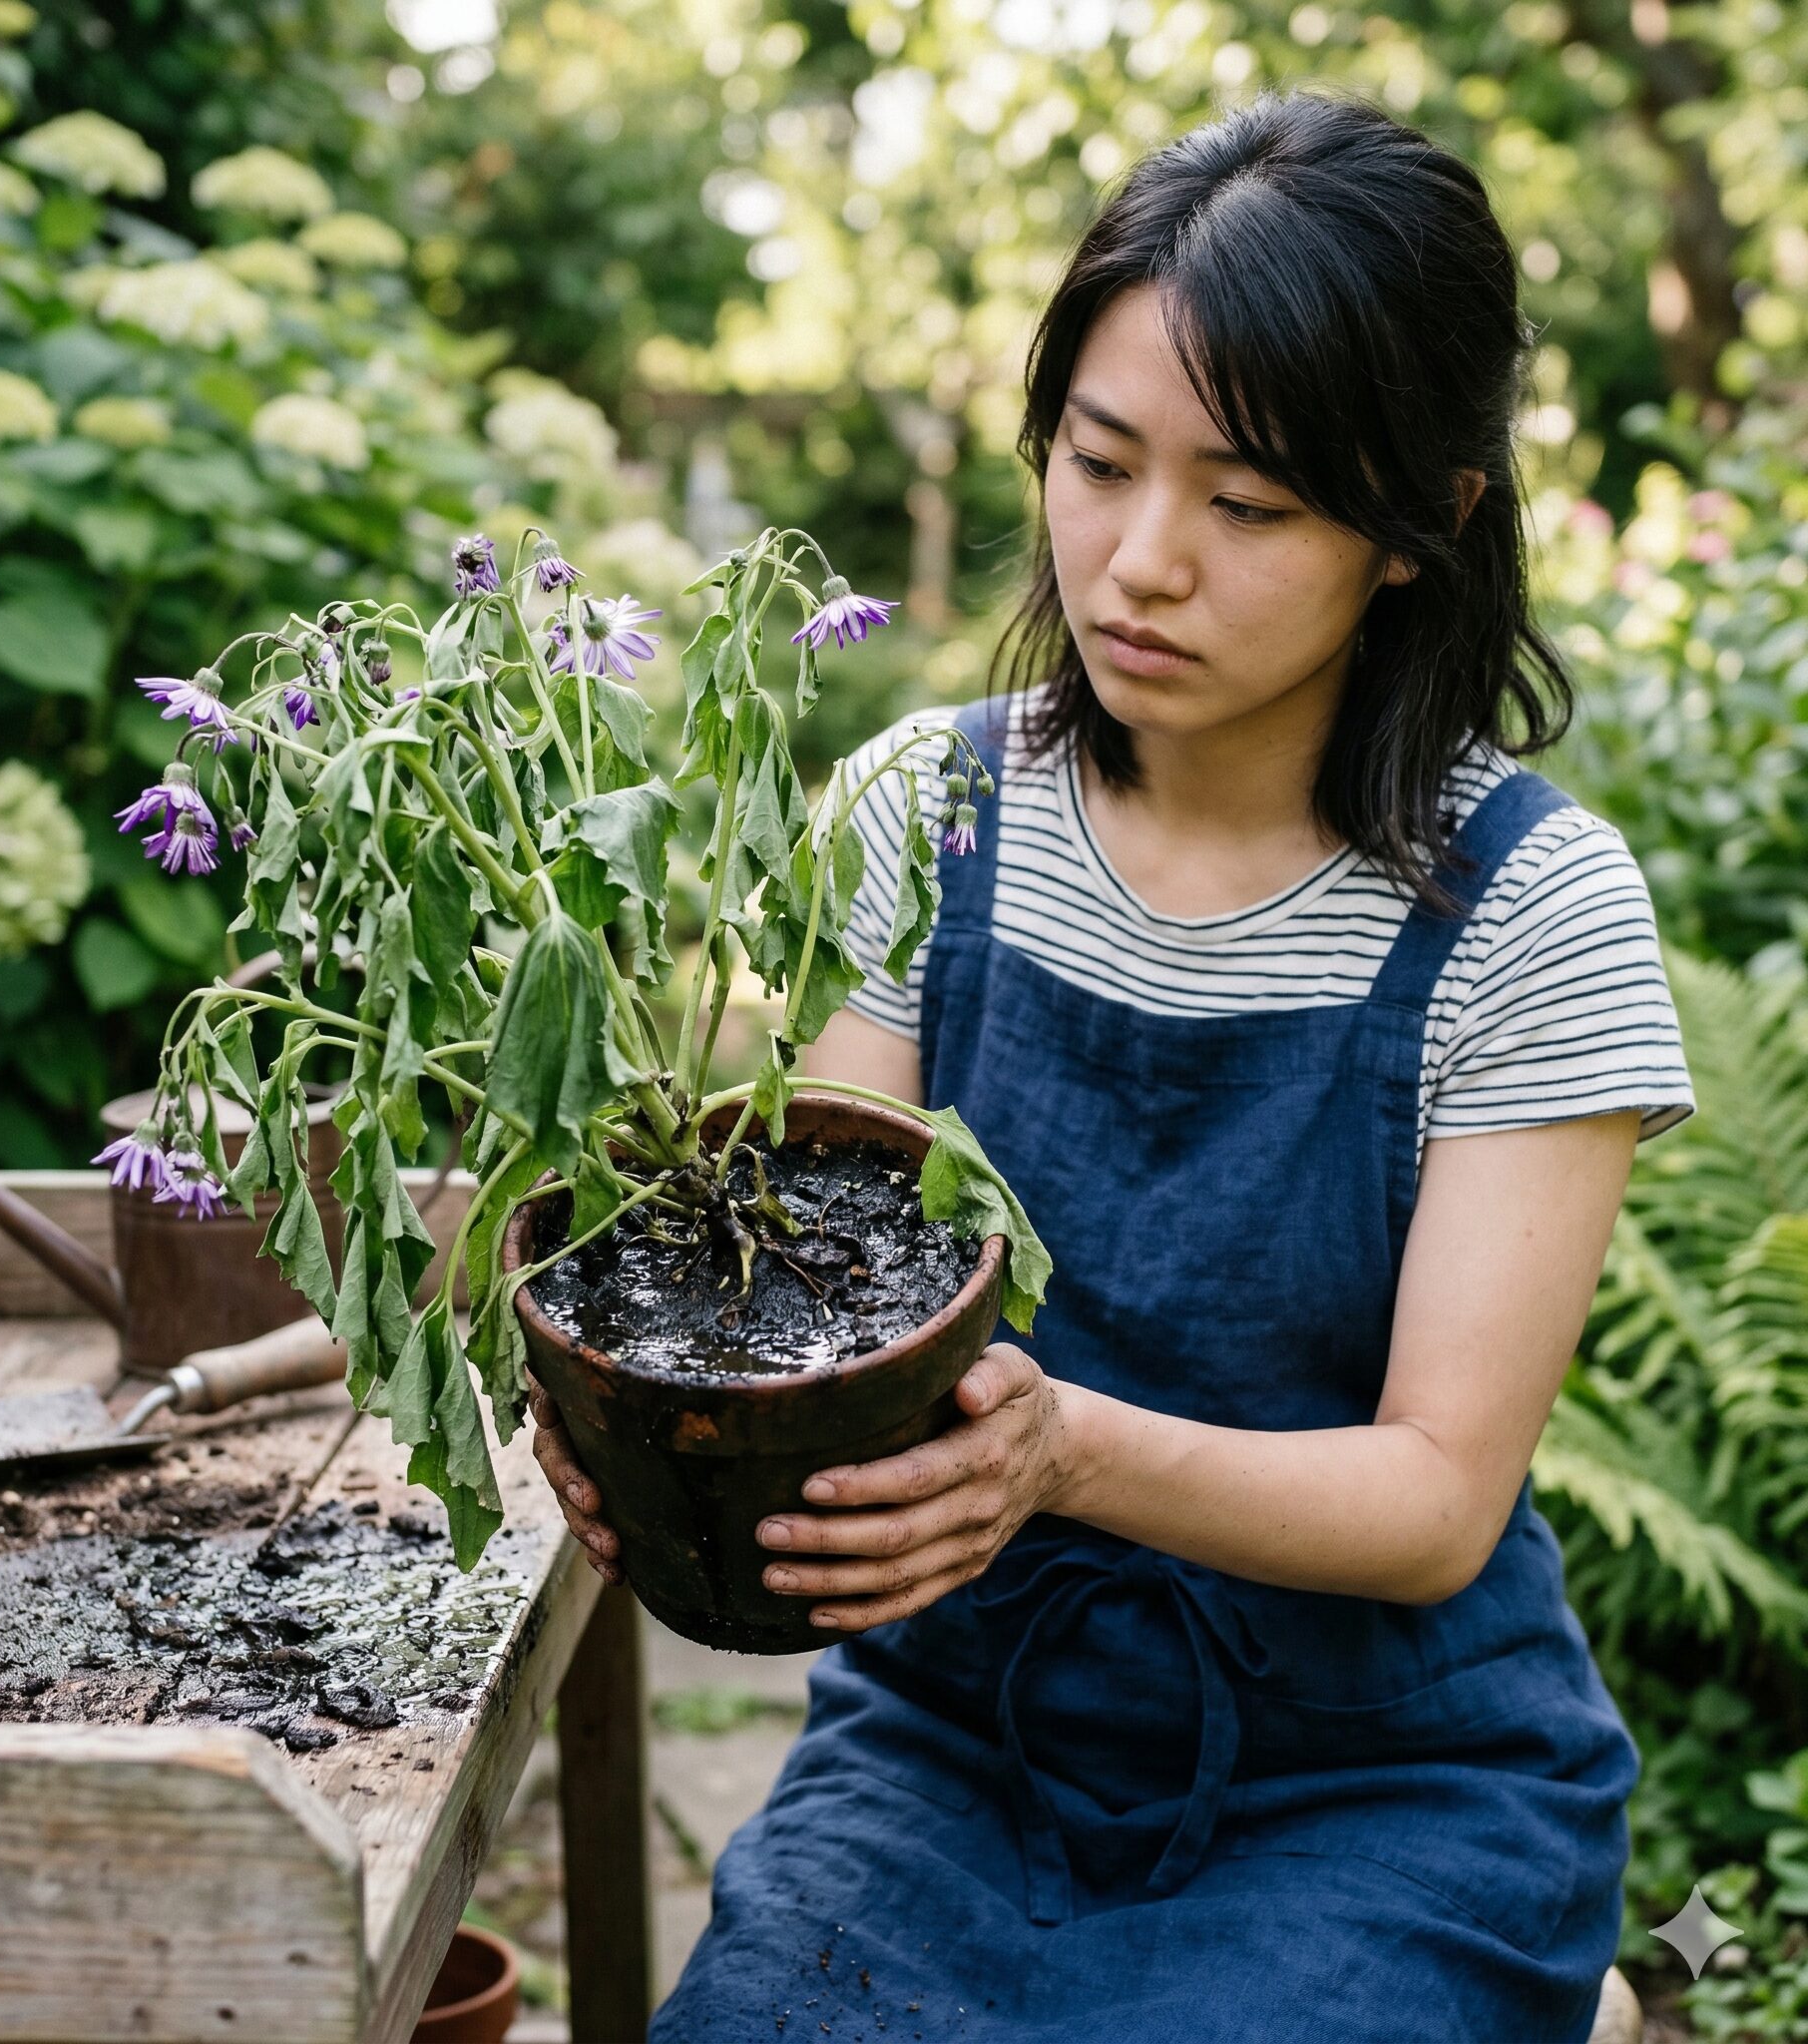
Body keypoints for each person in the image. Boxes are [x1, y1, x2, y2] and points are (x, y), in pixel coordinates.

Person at [529, 84, 1694, 2043]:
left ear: (1420, 531)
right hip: (956, 1742)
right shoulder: (927, 815)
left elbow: (1431, 1498)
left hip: (1382, 1781)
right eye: (1097, 460)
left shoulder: (1529, 910)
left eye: (1246, 504)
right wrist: (661, 1434)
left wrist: (1061, 1450)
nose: (1140, 560)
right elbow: (816, 1295)